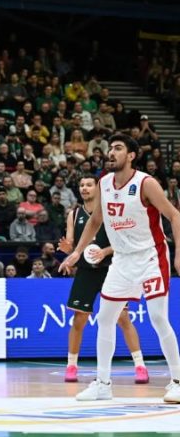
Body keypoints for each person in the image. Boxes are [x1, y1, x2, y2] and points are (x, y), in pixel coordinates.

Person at [60, 135, 180, 402]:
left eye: (118, 149)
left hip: (151, 256)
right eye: (110, 149)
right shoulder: (104, 183)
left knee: (159, 318)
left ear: (131, 156)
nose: (111, 153)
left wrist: (179, 253)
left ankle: (178, 381)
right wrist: (77, 251)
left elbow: (174, 215)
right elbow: (95, 222)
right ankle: (103, 384)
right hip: (122, 260)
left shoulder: (145, 184)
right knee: (104, 318)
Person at [58, 173, 149, 384]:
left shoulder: (110, 211)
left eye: (89, 184)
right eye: (81, 185)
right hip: (86, 271)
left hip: (112, 269)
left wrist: (105, 252)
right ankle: (71, 366)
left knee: (123, 318)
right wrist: (67, 249)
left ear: (98, 188)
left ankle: (140, 366)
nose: (84, 188)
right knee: (79, 319)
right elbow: (72, 244)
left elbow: (123, 241)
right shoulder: (74, 214)